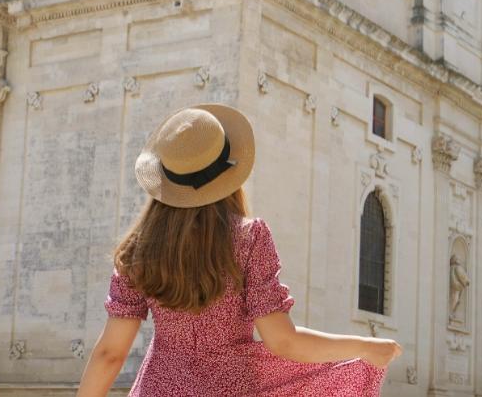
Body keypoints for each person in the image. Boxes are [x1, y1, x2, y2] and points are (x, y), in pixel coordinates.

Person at [76, 105, 401, 396]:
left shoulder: (138, 250)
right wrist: (366, 347)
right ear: (230, 175)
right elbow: (283, 341)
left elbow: (110, 353)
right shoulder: (249, 238)